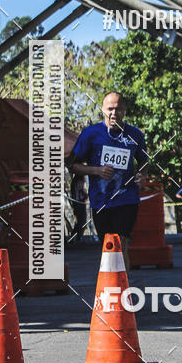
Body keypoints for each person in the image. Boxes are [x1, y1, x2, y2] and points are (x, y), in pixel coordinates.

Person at [67, 92, 147, 270]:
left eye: (118, 109)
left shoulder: (135, 134)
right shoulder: (91, 134)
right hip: (101, 200)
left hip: (127, 198)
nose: (114, 113)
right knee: (108, 245)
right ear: (103, 110)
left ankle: (124, 291)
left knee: (121, 243)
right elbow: (72, 165)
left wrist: (142, 175)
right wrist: (96, 170)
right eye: (110, 109)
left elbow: (144, 160)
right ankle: (110, 287)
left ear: (124, 110)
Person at [69, 173, 88, 243]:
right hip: (80, 203)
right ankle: (78, 238)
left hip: (77, 203)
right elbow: (82, 192)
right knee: (81, 221)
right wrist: (86, 195)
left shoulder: (74, 182)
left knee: (79, 222)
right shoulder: (79, 181)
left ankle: (75, 237)